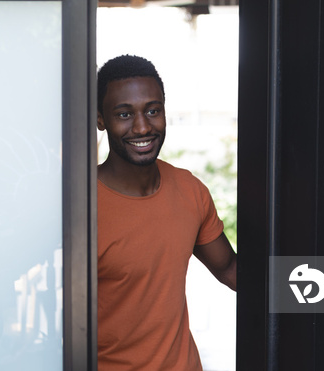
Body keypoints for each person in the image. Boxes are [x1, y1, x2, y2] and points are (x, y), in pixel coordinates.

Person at [96, 54, 237, 370]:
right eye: (124, 114)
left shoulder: (189, 190)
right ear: (100, 119)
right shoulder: (80, 206)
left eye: (152, 110)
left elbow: (230, 269)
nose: (143, 126)